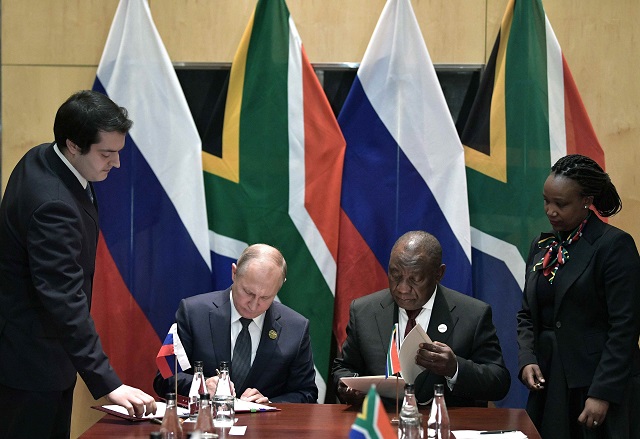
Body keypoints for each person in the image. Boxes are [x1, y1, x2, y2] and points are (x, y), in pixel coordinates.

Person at [0, 90, 157, 438]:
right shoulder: (53, 206)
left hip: (44, 357)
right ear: (73, 145)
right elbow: (64, 300)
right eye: (106, 153)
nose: (115, 163)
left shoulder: (43, 157)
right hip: (29, 367)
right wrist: (109, 383)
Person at [517, 154, 640, 439]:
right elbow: (527, 312)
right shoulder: (542, 245)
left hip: (596, 385)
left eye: (561, 204)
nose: (550, 211)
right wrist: (527, 358)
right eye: (546, 201)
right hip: (550, 383)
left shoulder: (614, 246)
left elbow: (625, 328)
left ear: (586, 201)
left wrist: (602, 393)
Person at [333, 231, 510, 407]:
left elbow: (498, 382)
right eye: (395, 275)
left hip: (446, 426)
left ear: (439, 274)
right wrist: (348, 388)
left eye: (415, 279)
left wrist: (455, 368)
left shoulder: (473, 314)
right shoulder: (364, 311)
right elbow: (344, 369)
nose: (402, 288)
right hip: (380, 425)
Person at [153, 243, 318, 404]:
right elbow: (164, 378)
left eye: (266, 297)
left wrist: (270, 403)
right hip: (206, 426)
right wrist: (201, 386)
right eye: (248, 292)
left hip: (263, 429)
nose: (253, 305)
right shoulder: (194, 313)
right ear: (234, 273)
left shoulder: (295, 327)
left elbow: (306, 393)